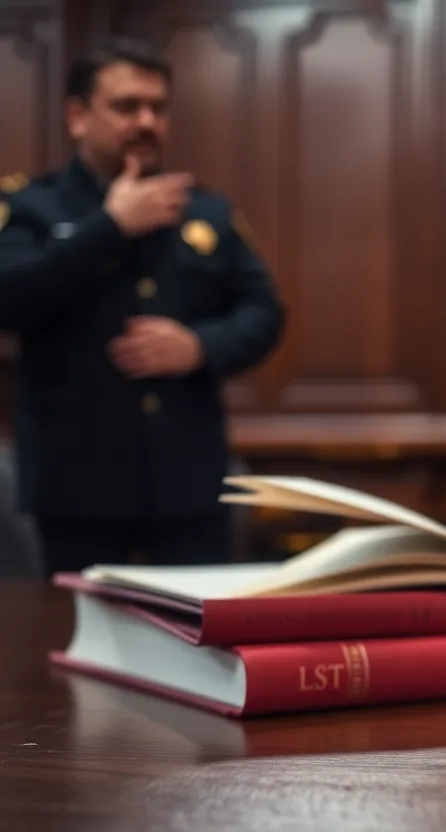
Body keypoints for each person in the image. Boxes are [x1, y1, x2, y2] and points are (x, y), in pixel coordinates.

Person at [0, 38, 285, 575]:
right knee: (72, 642)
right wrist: (109, 229)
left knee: (196, 643)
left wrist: (200, 346)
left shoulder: (206, 210)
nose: (146, 121)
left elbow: (264, 314)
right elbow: (9, 298)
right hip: (75, 486)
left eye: (158, 108)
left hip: (187, 484)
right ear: (78, 115)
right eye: (127, 107)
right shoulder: (29, 207)